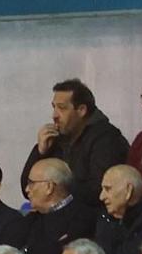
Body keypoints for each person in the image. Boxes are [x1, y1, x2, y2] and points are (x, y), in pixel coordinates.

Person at [20, 76, 129, 207]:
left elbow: (99, 190)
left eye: (62, 108)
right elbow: (28, 189)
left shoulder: (106, 139)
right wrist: (40, 152)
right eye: (54, 107)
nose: (54, 115)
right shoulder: (56, 139)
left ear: (81, 110)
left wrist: (57, 189)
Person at [18, 158, 101, 254]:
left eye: (31, 183)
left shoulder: (82, 218)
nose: (27, 190)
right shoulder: (31, 219)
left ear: (49, 187)